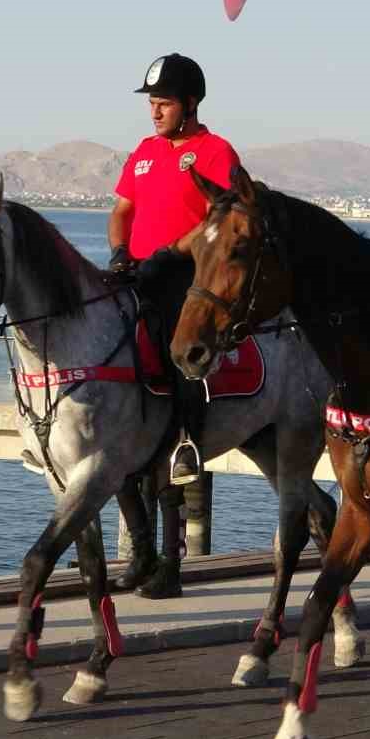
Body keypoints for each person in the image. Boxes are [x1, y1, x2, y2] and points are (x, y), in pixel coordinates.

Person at [105, 52, 241, 488]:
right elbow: (122, 210)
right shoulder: (144, 153)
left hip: (187, 271)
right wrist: (120, 251)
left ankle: (187, 441)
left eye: (163, 102)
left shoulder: (215, 151)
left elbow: (219, 217)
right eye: (151, 103)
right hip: (137, 267)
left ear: (190, 103)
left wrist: (171, 251)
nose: (155, 111)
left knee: (178, 344)